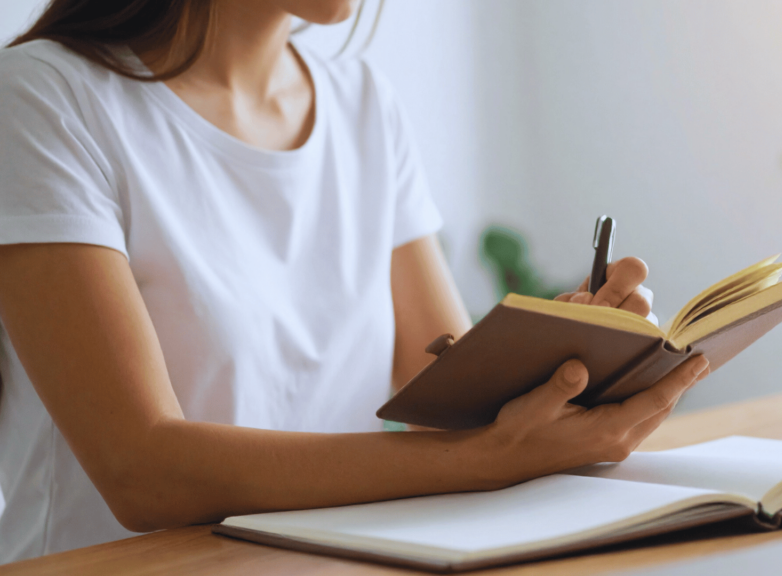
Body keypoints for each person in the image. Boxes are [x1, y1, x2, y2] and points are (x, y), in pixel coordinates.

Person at [0, 0, 711, 563]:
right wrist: (482, 459)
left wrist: (566, 363)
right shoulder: (46, 100)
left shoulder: (361, 102)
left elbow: (448, 387)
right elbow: (142, 472)